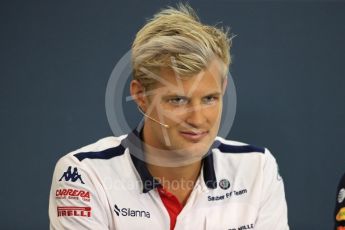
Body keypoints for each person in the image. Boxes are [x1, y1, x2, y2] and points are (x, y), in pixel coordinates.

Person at [49, 4, 289, 229]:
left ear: (223, 89)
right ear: (140, 96)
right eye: (178, 100)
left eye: (209, 99)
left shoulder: (257, 167)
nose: (197, 119)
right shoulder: (84, 174)